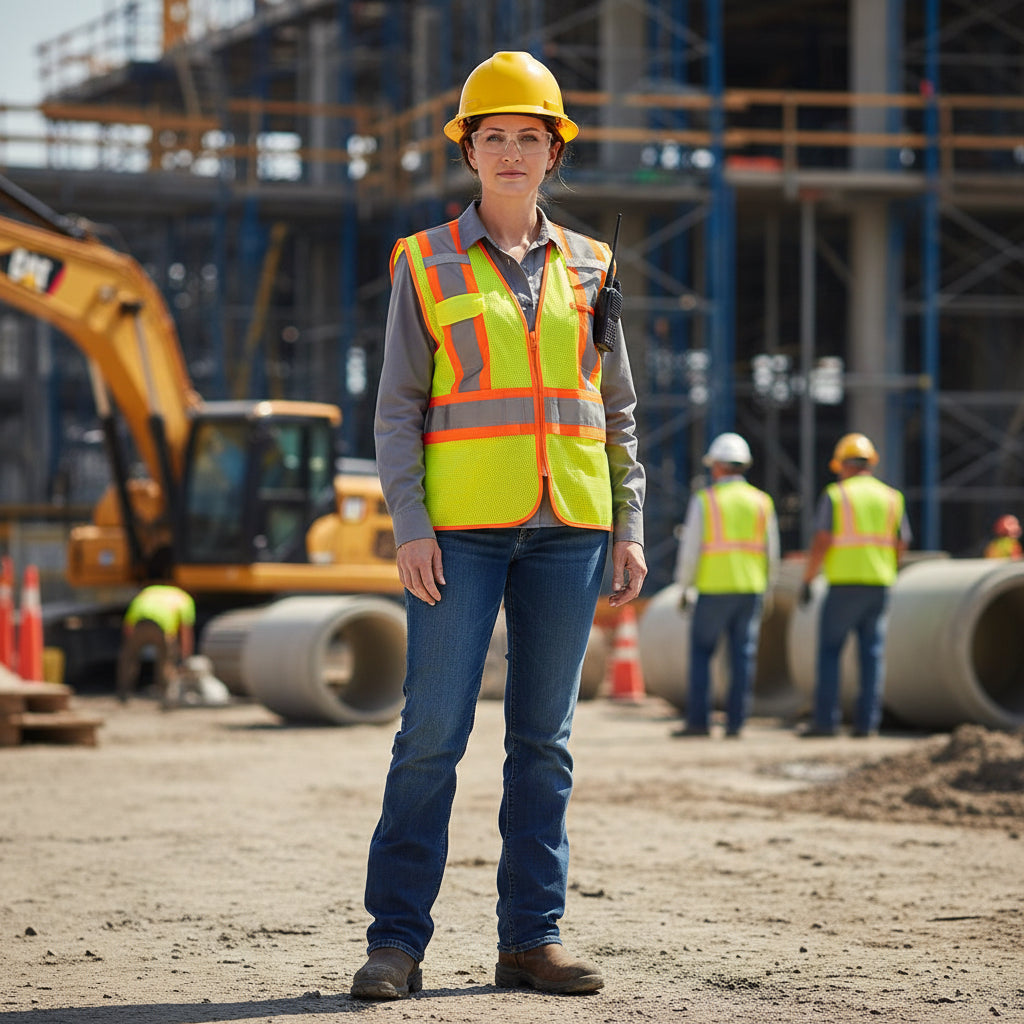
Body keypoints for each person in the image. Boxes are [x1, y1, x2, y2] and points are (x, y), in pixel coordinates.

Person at [352, 51, 647, 1001]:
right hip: (460, 534)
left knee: (545, 743)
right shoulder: (425, 261)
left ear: (553, 153)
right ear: (470, 152)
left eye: (530, 136)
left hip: (569, 527)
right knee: (432, 734)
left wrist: (628, 521)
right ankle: (396, 943)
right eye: (495, 137)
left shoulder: (593, 266)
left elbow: (617, 411)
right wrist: (409, 523)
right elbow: (398, 408)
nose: (512, 152)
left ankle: (532, 939)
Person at [798, 433, 909, 738]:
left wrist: (808, 579)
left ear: (842, 465)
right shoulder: (892, 497)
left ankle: (826, 722)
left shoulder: (837, 495)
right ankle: (866, 724)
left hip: (844, 586)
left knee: (830, 653)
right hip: (879, 585)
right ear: (870, 463)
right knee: (872, 655)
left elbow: (822, 540)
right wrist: (889, 568)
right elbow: (902, 541)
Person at [672, 432, 779, 739]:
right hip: (750, 590)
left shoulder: (705, 500)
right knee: (742, 658)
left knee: (703, 655)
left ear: (717, 466)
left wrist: (684, 586)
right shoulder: (762, 502)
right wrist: (767, 587)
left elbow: (691, 549)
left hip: (713, 589)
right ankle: (737, 724)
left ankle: (699, 723)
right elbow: (772, 551)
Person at [116, 584, 195, 704]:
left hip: (139, 624)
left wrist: (129, 644)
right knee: (165, 662)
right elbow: (185, 632)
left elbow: (128, 626)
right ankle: (166, 694)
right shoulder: (184, 598)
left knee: (129, 659)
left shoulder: (146, 593)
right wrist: (185, 656)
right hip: (163, 629)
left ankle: (124, 693)